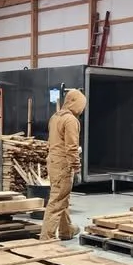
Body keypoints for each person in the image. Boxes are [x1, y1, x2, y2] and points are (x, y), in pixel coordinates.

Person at [40, 88, 87, 242]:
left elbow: (55, 142)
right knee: (57, 200)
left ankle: (66, 230)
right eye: (82, 106)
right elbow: (72, 148)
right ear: (76, 104)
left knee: (62, 198)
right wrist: (77, 168)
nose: (82, 110)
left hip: (53, 161)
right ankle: (47, 237)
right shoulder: (71, 120)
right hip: (63, 164)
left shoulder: (55, 117)